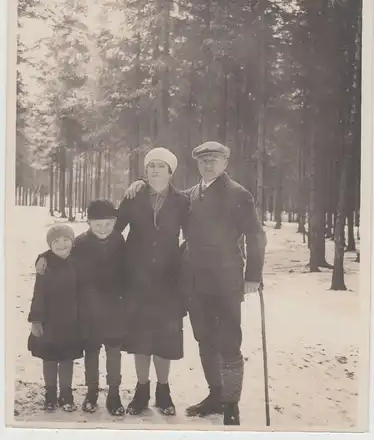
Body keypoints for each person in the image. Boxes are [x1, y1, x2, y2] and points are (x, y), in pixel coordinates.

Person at [124, 141, 267, 426]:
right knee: (205, 339)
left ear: (225, 163)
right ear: (196, 164)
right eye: (203, 161)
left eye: (214, 160)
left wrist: (252, 275)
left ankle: (231, 403)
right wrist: (141, 183)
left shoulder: (238, 194)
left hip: (225, 281)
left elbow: (256, 236)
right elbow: (164, 193)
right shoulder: (191, 195)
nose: (208, 165)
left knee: (228, 341)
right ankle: (215, 395)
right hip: (194, 282)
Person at [115, 147, 189, 416]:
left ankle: (163, 390)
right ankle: (142, 390)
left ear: (171, 171)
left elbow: (195, 236)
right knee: (140, 337)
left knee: (165, 338)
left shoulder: (182, 201)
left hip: (169, 281)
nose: (155, 170)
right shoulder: (133, 196)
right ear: (145, 172)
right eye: (151, 166)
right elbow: (113, 231)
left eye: (161, 166)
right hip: (136, 279)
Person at [35, 200, 128, 417]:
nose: (103, 229)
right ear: (88, 223)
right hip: (89, 310)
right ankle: (92, 392)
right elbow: (60, 251)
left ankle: (114, 394)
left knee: (114, 353)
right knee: (92, 352)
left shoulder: (120, 241)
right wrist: (42, 257)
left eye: (107, 224)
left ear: (115, 222)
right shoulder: (81, 242)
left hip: (115, 308)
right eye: (97, 224)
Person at [28, 224, 83, 412]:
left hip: (71, 322)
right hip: (49, 322)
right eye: (56, 241)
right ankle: (50, 393)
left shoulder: (78, 261)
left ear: (72, 242)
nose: (62, 244)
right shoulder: (46, 266)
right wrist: (36, 320)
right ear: (49, 245)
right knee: (50, 359)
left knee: (67, 359)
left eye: (66, 240)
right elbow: (39, 295)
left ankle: (66, 394)